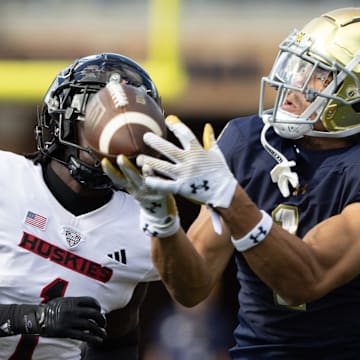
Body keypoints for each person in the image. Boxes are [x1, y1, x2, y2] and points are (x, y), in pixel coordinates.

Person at [102, 8, 360, 360]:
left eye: (320, 74)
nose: (296, 81)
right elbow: (191, 286)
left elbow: (305, 280)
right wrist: (163, 223)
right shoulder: (250, 141)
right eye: (300, 66)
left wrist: (230, 198)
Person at [0, 52, 162, 359]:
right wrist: (34, 318)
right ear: (64, 116)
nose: (107, 129)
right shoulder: (5, 179)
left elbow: (118, 341)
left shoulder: (139, 228)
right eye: (98, 112)